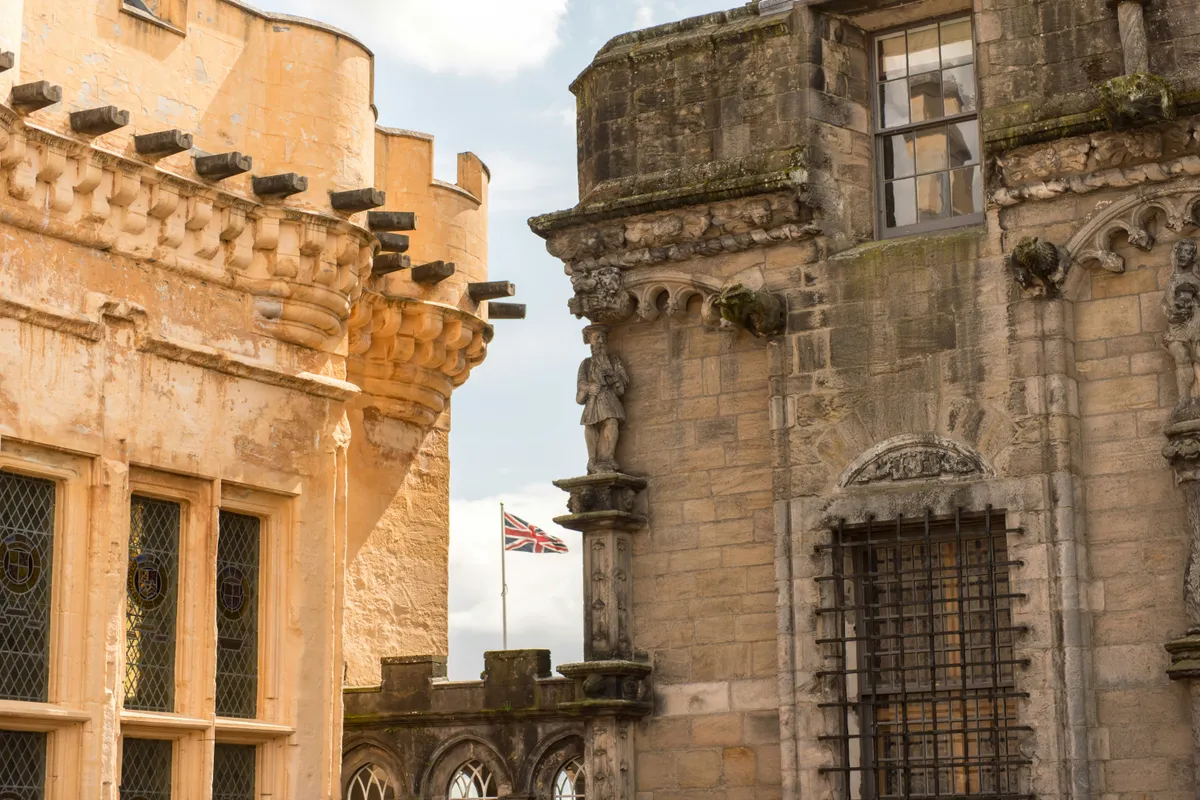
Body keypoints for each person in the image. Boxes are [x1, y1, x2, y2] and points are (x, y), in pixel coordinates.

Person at [577, 325, 629, 474]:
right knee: (590, 425)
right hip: (593, 398)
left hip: (608, 397)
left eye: (603, 338)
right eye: (596, 338)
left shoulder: (614, 360)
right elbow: (580, 383)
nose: (600, 341)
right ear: (591, 342)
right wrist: (589, 387)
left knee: (612, 421)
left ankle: (609, 457)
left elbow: (624, 381)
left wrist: (613, 376)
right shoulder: (586, 364)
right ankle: (592, 460)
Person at [1164, 238, 1200, 419]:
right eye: (1182, 251)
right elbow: (1167, 304)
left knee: (1199, 358)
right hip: (1178, 326)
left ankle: (1197, 399)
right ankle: (1184, 399)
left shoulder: (1196, 278)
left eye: (1189, 252)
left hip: (1196, 323)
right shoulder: (1173, 279)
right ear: (1176, 253)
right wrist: (1172, 312)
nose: (1184, 256)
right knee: (1182, 359)